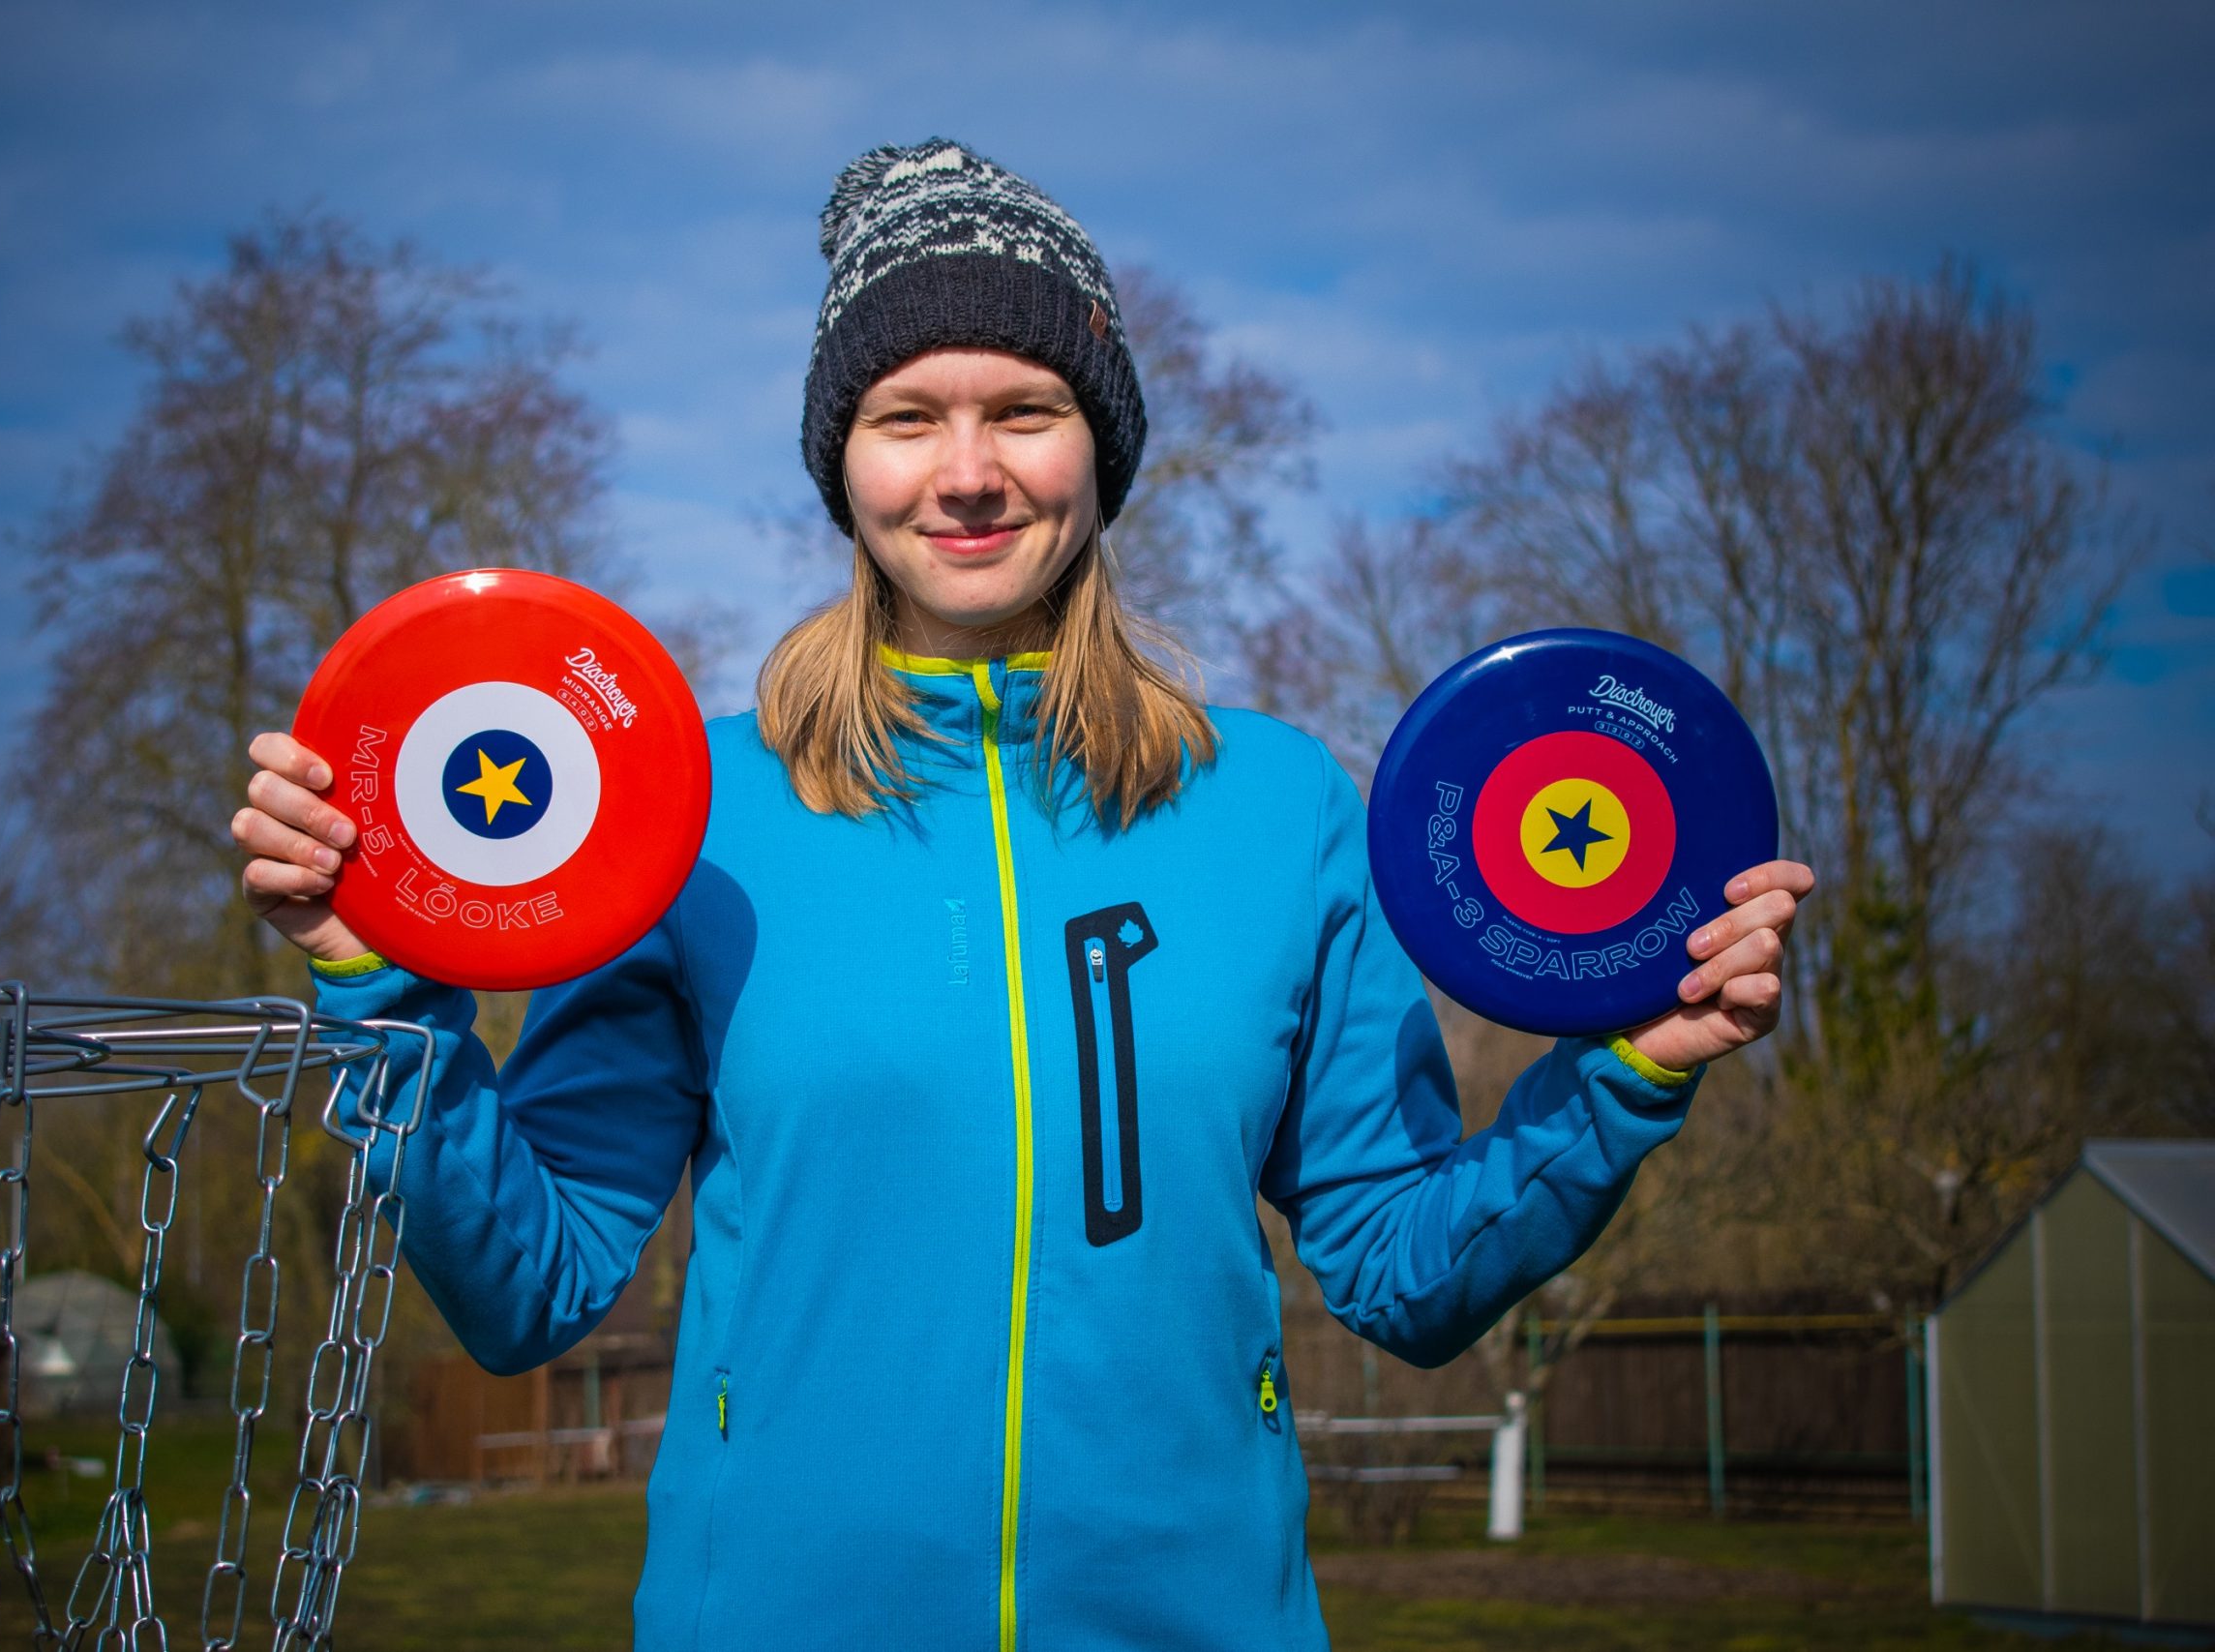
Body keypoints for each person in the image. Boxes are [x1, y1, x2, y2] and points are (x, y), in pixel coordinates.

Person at [231, 138, 1812, 1651]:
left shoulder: (1277, 809)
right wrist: (386, 992)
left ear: (1101, 447)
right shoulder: (695, 822)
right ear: (840, 460)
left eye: (1028, 409)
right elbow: (530, 1284)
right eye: (908, 415)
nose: (970, 475)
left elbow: (1404, 1271)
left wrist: (1632, 1071)